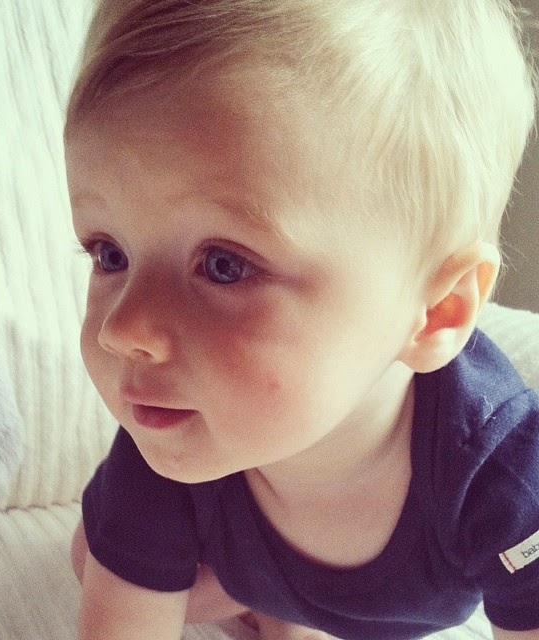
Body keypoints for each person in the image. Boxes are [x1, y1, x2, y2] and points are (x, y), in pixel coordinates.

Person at [63, 1, 538, 638]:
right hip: (244, 571)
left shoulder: (501, 472)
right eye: (109, 254)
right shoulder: (171, 447)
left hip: (403, 599)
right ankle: (274, 604)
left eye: (225, 265)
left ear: (436, 312)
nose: (121, 331)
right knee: (93, 555)